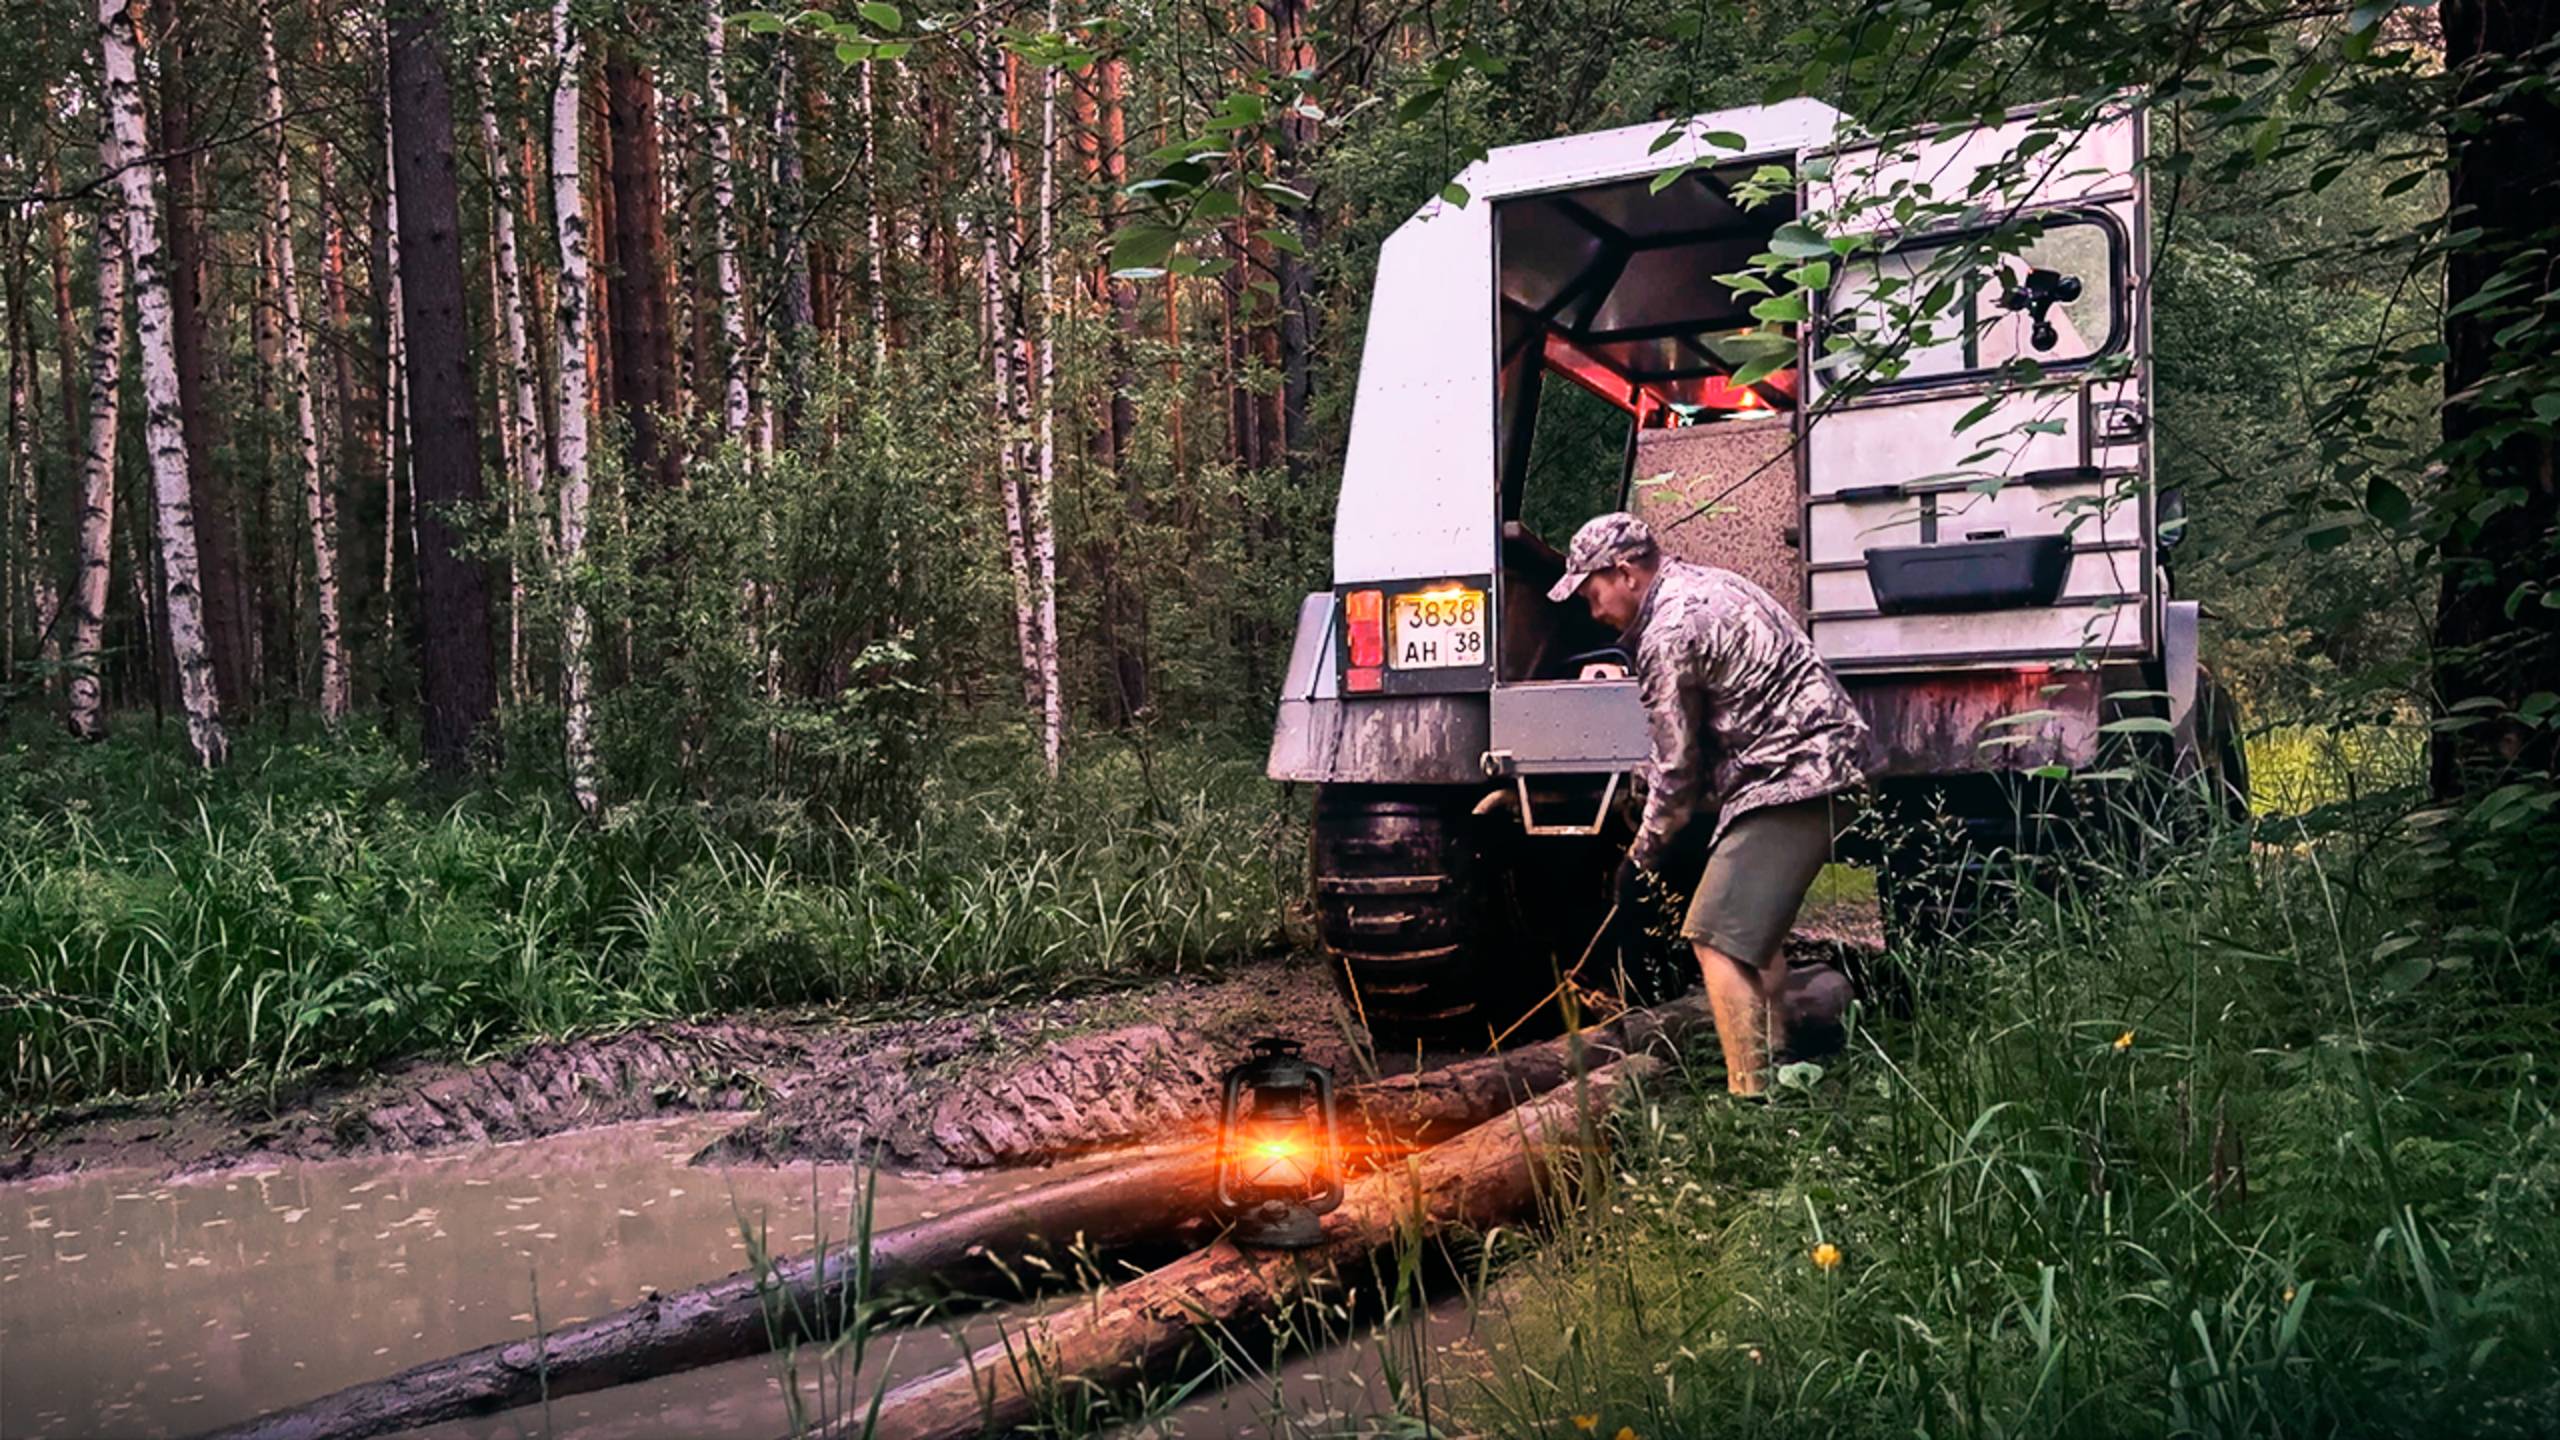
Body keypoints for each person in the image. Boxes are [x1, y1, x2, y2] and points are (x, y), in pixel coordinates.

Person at [1549, 512, 1869, 1095]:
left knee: (1715, 936)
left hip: (1795, 774)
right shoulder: (1708, 584)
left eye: (1593, 593)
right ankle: (1779, 1066)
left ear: (1625, 573)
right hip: (1819, 765)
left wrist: (1640, 859)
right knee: (1754, 938)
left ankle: (1749, 1098)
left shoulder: (1669, 631)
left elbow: (1676, 770)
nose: (1594, 611)